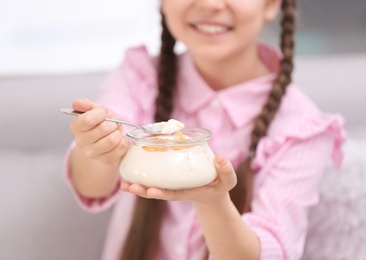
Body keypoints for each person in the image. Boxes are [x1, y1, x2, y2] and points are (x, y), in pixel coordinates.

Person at [64, 0, 346, 259]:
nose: (210, 4)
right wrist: (99, 145)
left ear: (272, 4)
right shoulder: (138, 77)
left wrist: (212, 200)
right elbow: (91, 184)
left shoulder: (300, 128)